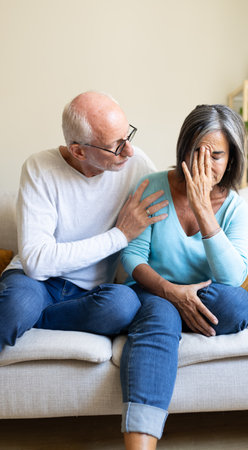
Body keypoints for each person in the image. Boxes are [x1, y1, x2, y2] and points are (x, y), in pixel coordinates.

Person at [120, 104, 248, 449]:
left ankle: (172, 314)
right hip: (154, 290)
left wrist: (203, 208)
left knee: (237, 304)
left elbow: (232, 277)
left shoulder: (236, 208)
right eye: (197, 152)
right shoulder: (152, 185)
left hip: (206, 296)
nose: (205, 164)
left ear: (232, 158)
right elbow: (132, 255)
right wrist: (170, 291)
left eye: (216, 155)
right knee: (160, 312)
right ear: (183, 150)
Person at [0, 92, 169, 356]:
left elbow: (171, 209)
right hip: (36, 283)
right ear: (78, 150)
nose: (129, 150)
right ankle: (27, 314)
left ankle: (36, 319)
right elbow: (36, 262)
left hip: (92, 293)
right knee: (18, 305)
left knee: (123, 305)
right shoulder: (39, 168)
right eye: (116, 145)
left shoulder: (136, 165)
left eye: (128, 136)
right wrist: (120, 236)